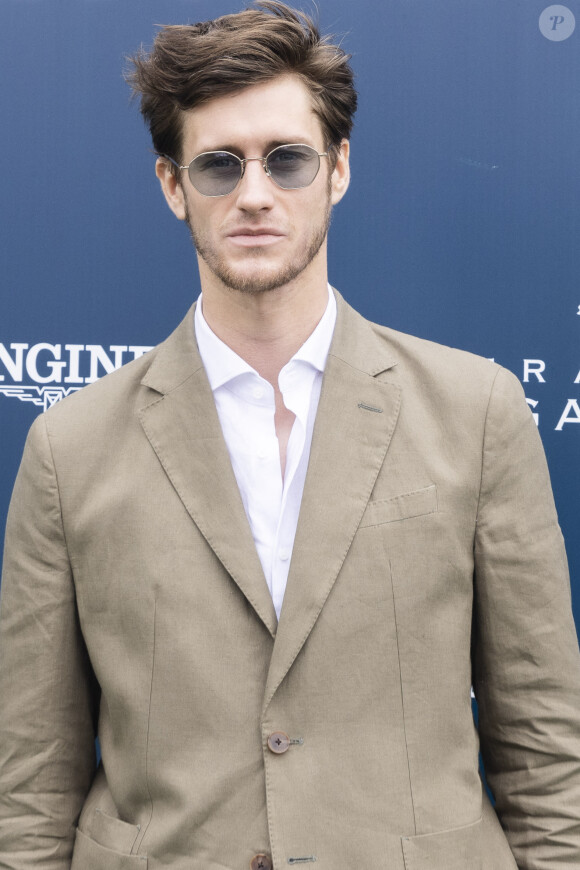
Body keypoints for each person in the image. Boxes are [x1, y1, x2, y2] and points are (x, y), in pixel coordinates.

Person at [0, 2, 579, 868]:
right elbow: (33, 781)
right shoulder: (68, 448)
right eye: (219, 166)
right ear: (171, 186)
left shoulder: (478, 412)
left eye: (288, 159)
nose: (255, 194)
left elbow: (542, 750)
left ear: (338, 169)